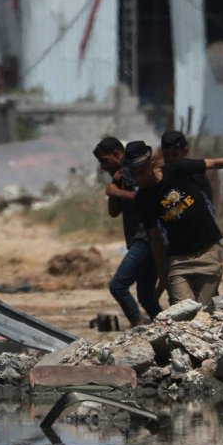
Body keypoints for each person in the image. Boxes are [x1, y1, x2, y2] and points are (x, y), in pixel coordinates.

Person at [128, 141, 223, 310]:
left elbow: (214, 163)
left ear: (151, 165)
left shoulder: (177, 170)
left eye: (141, 173)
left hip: (208, 253)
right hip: (178, 261)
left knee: (205, 311)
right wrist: (162, 275)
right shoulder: (143, 200)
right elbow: (155, 240)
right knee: (184, 312)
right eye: (134, 175)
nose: (138, 179)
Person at [92, 137, 160, 326]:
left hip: (146, 239)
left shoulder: (133, 170)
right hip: (139, 240)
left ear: (117, 154)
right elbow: (114, 212)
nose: (102, 167)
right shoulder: (121, 175)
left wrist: (117, 192)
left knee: (118, 286)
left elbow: (146, 197)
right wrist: (114, 188)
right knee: (146, 297)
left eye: (104, 161)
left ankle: (138, 326)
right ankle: (167, 327)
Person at [160, 129, 214, 216]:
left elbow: (207, 208)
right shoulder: (159, 179)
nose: (170, 159)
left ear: (185, 151)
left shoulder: (196, 176)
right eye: (167, 154)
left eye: (174, 154)